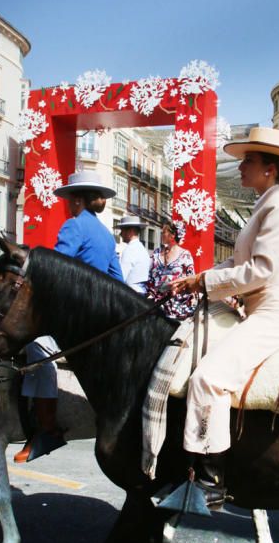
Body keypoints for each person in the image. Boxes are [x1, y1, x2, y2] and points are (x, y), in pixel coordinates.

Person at [166, 126, 279, 508]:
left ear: (270, 168)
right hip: (257, 309)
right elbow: (239, 262)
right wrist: (199, 279)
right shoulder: (267, 203)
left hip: (273, 313)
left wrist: (206, 280)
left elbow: (260, 271)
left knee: (208, 379)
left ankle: (210, 483)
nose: (242, 165)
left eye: (249, 159)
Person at [14, 171, 123, 463]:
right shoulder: (106, 234)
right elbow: (118, 280)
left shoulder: (74, 226)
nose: (66, 206)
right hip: (103, 315)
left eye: (68, 201)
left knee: (38, 350)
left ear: (76, 201)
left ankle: (47, 427)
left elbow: (56, 273)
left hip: (74, 315)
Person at [147, 220, 196, 319]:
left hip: (178, 306)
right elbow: (150, 277)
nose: (161, 234)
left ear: (172, 235)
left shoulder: (185, 255)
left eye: (164, 232)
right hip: (156, 304)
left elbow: (190, 280)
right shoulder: (156, 253)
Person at [115, 215, 150, 294]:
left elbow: (121, 277)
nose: (121, 234)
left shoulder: (130, 249)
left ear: (130, 231)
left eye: (122, 231)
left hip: (131, 294)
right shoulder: (142, 249)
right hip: (141, 292)